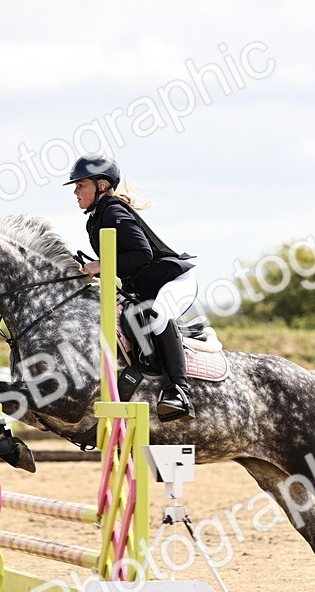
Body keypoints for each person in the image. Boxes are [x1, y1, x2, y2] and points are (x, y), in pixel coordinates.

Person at [65, 154, 199, 422]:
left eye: (81, 185)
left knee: (157, 316)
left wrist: (99, 265)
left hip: (173, 280)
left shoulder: (113, 211)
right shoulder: (95, 218)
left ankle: (180, 392)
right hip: (145, 287)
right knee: (127, 317)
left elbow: (143, 254)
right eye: (76, 187)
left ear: (101, 185)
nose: (77, 192)